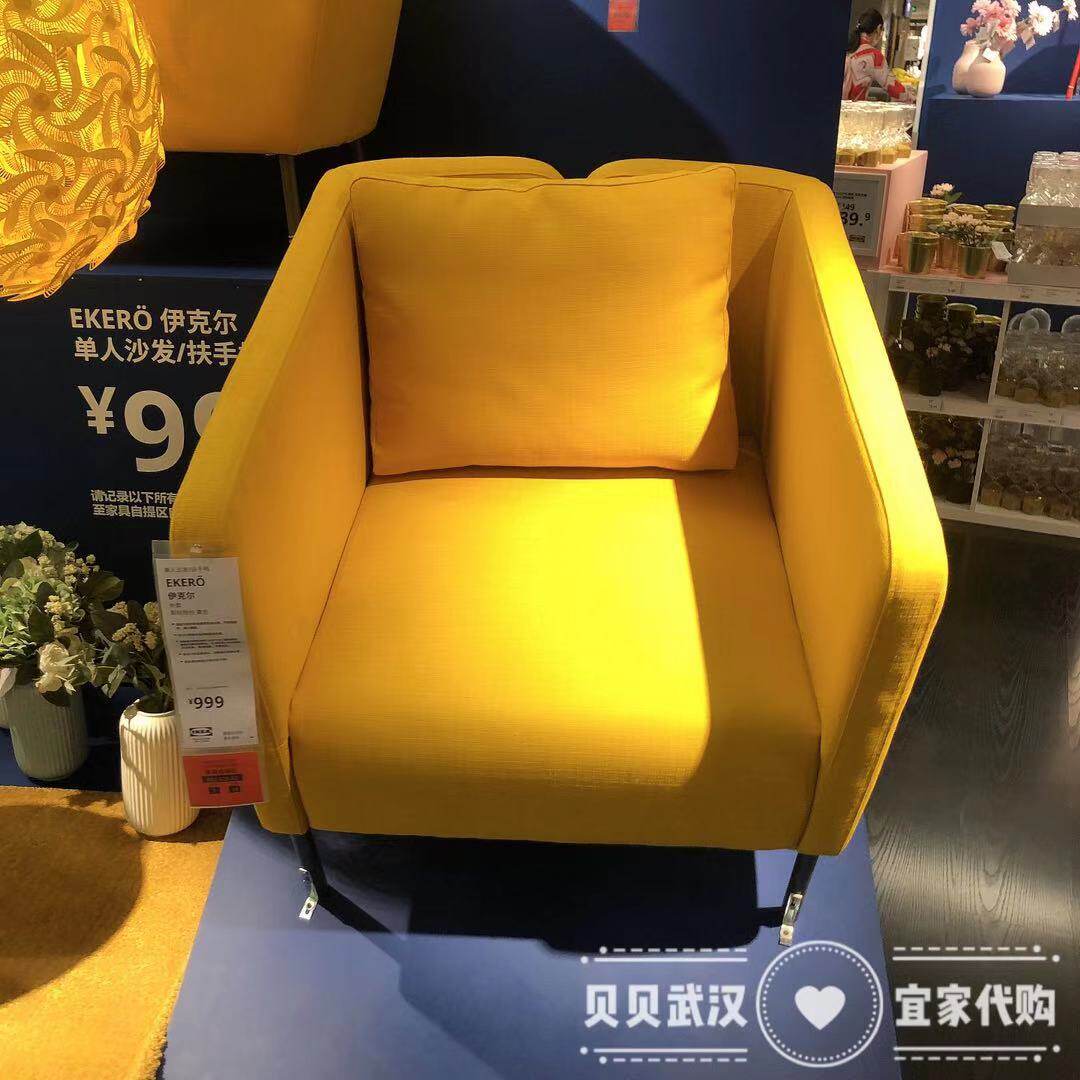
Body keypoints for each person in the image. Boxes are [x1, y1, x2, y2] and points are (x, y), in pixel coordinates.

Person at [844, 9, 913, 102]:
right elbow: (894, 88)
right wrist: (914, 100)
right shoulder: (874, 56)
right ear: (878, 28)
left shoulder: (847, 48)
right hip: (852, 110)